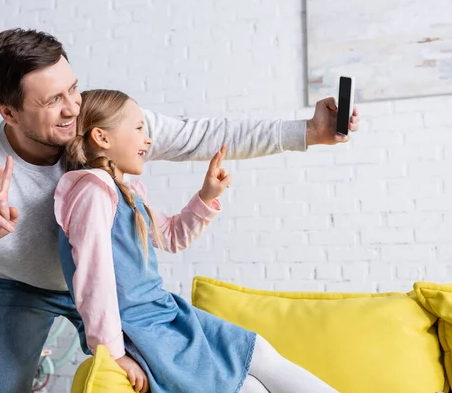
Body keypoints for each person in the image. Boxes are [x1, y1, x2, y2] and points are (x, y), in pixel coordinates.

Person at [0, 28, 359, 393]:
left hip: (114, 293)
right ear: (8, 112)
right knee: (6, 386)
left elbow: (202, 135)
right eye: (52, 102)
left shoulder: (99, 127)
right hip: (26, 287)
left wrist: (307, 132)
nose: (72, 109)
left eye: (73, 89)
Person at [55, 89, 338, 393]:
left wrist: (206, 196)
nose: (147, 140)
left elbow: (173, 236)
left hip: (165, 313)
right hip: (146, 329)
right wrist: (113, 353)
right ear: (102, 137)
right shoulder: (92, 192)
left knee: (260, 354)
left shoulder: (125, 191)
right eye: (138, 128)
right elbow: (93, 279)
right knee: (250, 386)